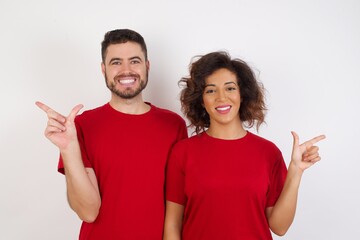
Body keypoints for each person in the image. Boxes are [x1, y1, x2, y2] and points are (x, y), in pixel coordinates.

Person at [36, 29, 188, 240]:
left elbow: (177, 207)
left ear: (147, 66)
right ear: (103, 69)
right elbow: (88, 212)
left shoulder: (173, 126)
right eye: (116, 62)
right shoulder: (82, 125)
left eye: (134, 61)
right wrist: (69, 149)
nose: (126, 70)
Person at [163, 51, 325, 240]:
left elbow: (279, 227)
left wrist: (296, 171)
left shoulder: (268, 152)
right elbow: (173, 224)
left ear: (242, 94)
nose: (221, 97)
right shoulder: (183, 152)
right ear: (201, 100)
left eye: (230, 88)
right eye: (211, 90)